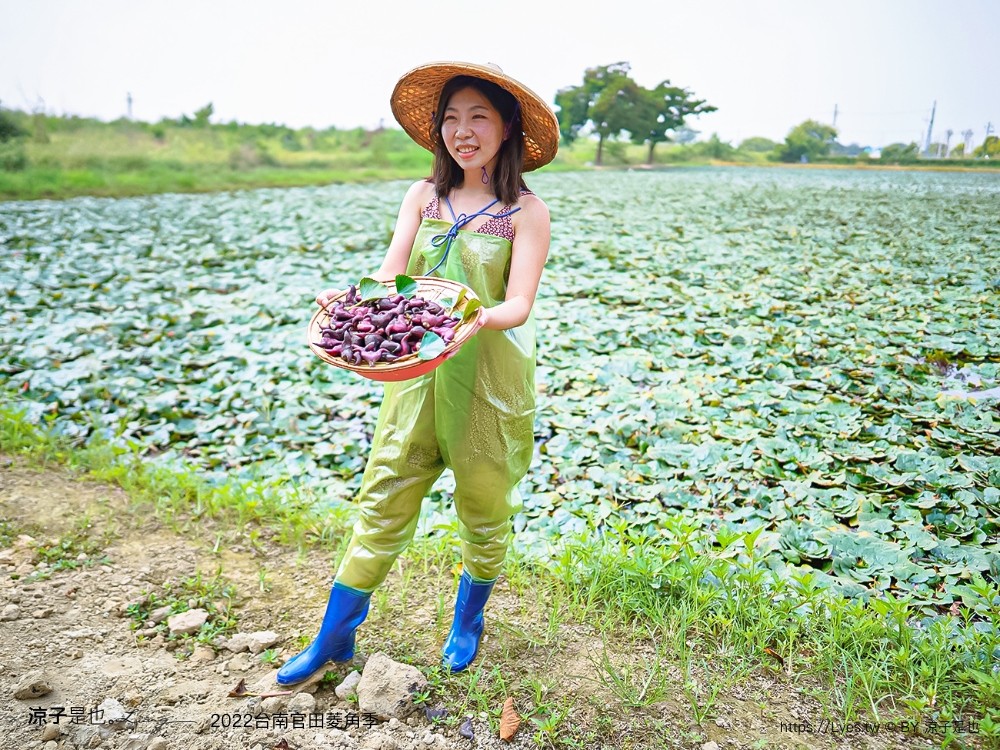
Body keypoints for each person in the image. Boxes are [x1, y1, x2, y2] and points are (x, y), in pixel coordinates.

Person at [276, 62, 559, 685]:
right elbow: (389, 275)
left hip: (489, 376)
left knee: (485, 504)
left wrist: (465, 316)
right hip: (417, 373)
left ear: (507, 127)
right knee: (384, 495)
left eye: (478, 117)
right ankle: (333, 637)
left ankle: (467, 624)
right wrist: (351, 301)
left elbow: (518, 305)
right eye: (451, 118)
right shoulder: (422, 196)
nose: (463, 130)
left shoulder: (525, 213)